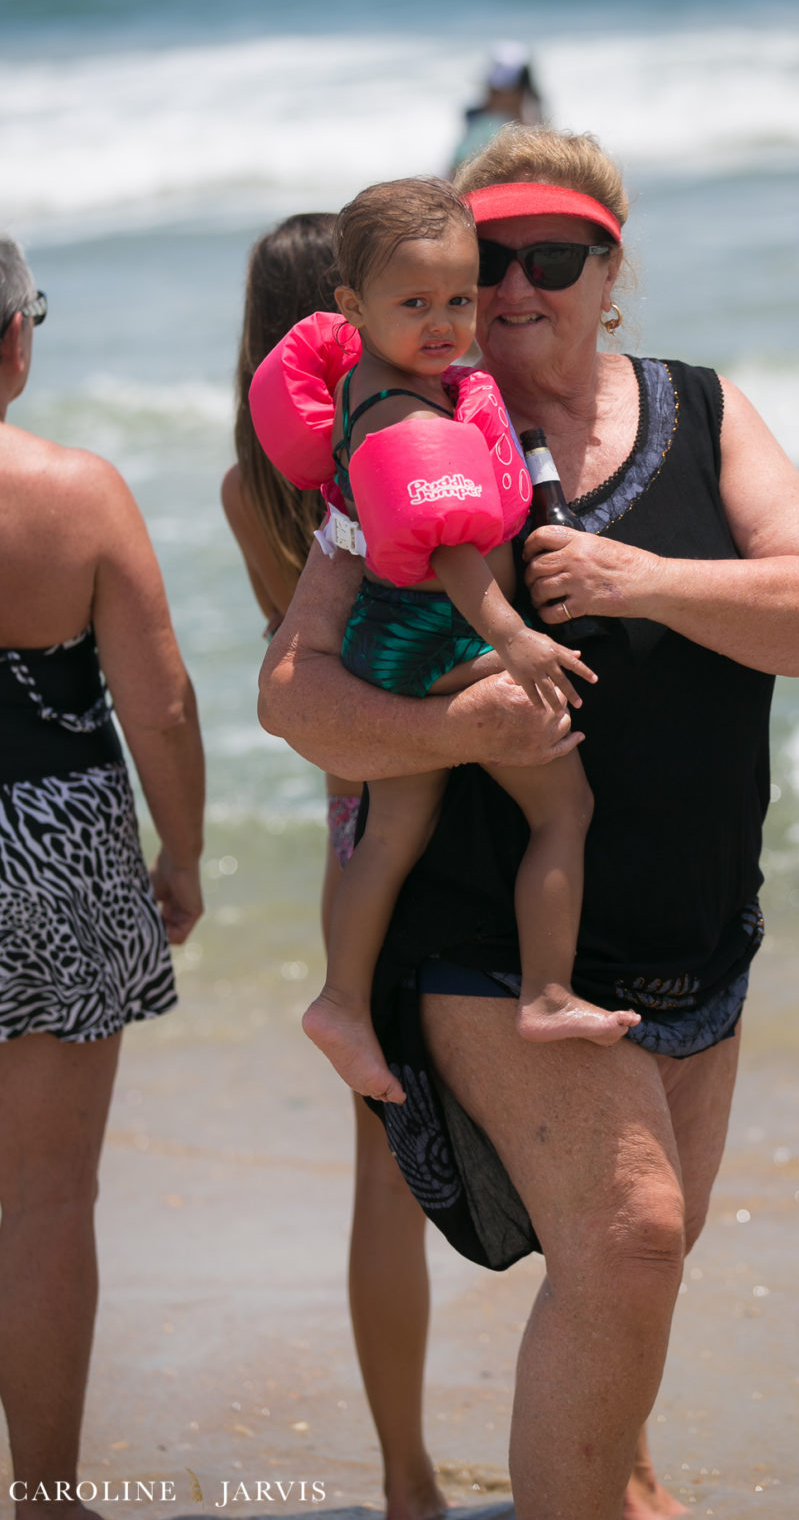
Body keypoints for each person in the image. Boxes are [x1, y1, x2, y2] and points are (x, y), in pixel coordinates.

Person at [258, 126, 799, 1520]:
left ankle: (618, 1483)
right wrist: (454, 732)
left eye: (554, 258)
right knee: (631, 1235)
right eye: (488, 261)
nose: (515, 288)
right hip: (483, 935)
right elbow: (293, 695)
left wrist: (639, 579)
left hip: (694, 931)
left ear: (610, 272)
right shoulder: (408, 440)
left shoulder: (701, 409)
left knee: (646, 1256)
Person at [263, 179, 634, 1103]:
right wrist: (514, 641)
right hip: (433, 643)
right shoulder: (405, 414)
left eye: (459, 300)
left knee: (392, 833)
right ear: (352, 307)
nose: (444, 324)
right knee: (565, 806)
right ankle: (547, 993)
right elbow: (453, 553)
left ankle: (340, 1002)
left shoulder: (371, 383)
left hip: (386, 637)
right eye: (415, 304)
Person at [220, 212, 448, 1520]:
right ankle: (603, 1447)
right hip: (463, 786)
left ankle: (407, 1479)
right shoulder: (415, 437)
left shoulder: (250, 485)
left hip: (352, 818)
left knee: (385, 1170)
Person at [0, 228, 205, 1513]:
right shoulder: (76, 492)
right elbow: (159, 702)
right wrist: (183, 854)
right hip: (54, 847)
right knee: (49, 1199)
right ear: (15, 339)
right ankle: (47, 1501)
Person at [449, 43, 543, 177]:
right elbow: (454, 172)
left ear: (519, 92)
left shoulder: (532, 127)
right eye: (490, 89)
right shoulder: (483, 127)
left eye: (497, 91)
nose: (489, 95)